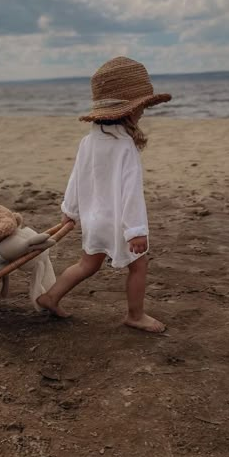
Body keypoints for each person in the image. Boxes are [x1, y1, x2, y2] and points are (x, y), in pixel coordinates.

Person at [37, 56, 172, 332]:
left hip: (93, 217)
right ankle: (135, 315)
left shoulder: (88, 141)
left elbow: (77, 177)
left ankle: (50, 296)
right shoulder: (125, 147)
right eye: (142, 106)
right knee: (139, 265)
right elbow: (131, 192)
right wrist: (136, 229)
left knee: (87, 264)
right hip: (118, 220)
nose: (144, 112)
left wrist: (70, 210)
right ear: (129, 111)